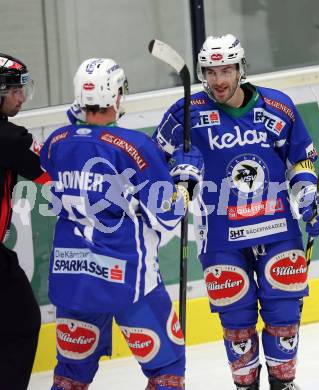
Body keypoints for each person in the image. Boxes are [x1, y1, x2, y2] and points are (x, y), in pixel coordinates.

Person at [152, 34, 319, 390]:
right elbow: (155, 162)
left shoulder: (277, 107)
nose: (218, 79)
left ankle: (283, 384)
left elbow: (299, 160)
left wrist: (310, 194)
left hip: (277, 227)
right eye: (211, 71)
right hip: (220, 234)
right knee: (236, 322)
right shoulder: (185, 113)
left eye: (226, 70)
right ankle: (245, 386)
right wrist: (179, 172)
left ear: (240, 69)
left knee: (284, 317)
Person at [40, 57, 204, 390]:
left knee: (70, 376)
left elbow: (71, 152)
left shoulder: (56, 141)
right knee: (167, 370)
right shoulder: (135, 147)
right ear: (116, 95)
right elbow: (169, 214)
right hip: (128, 282)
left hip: (73, 280)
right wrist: (186, 179)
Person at [0, 53, 49, 389]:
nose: (21, 96)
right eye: (14, 89)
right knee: (23, 321)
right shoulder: (9, 138)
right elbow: (53, 173)